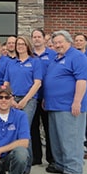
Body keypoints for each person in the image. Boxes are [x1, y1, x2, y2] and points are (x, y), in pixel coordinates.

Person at [43, 30, 87, 174]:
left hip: (69, 106)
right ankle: (61, 164)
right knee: (57, 139)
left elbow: (82, 80)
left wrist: (77, 101)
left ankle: (73, 170)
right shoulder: (56, 59)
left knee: (70, 138)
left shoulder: (77, 57)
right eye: (55, 43)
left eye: (60, 42)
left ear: (69, 42)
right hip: (54, 105)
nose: (57, 45)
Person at [4, 35, 43, 174]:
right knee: (12, 132)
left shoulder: (35, 62)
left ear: (27, 45)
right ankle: (15, 163)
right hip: (12, 100)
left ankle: (26, 167)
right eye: (17, 44)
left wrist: (25, 100)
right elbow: (6, 83)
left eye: (22, 44)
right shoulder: (11, 63)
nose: (19, 46)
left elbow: (37, 83)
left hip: (29, 100)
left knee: (24, 131)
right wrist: (11, 99)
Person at [30, 28, 56, 166]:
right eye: (34, 37)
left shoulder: (52, 55)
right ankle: (36, 157)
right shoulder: (30, 55)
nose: (36, 39)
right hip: (33, 97)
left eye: (39, 36)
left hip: (48, 97)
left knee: (48, 128)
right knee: (33, 128)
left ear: (43, 38)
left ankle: (51, 158)